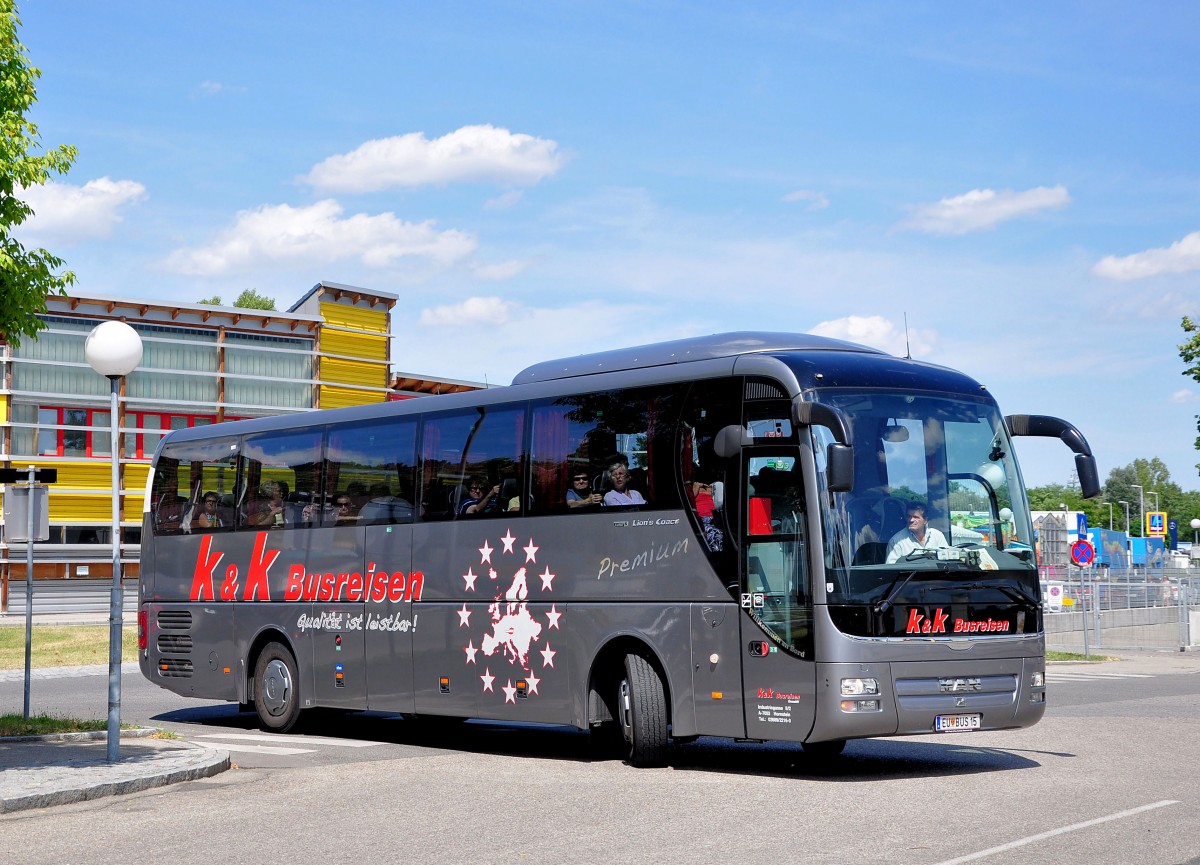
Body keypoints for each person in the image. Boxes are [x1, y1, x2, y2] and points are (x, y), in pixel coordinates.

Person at [885, 501, 949, 563]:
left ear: (925, 520)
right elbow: (890, 569)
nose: (911, 520)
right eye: (909, 516)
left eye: (916, 517)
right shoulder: (896, 541)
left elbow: (947, 560)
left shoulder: (937, 536)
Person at [692, 480, 722, 551]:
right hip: (700, 519)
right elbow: (689, 499)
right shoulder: (694, 486)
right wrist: (697, 487)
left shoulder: (715, 486)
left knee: (717, 534)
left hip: (713, 519)